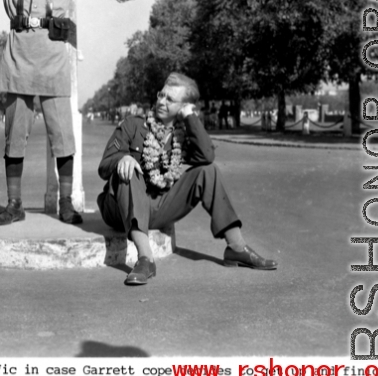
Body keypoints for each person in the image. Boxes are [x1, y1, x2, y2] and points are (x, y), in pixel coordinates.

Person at [0, 0, 182, 226]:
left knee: (63, 138)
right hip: (17, 65)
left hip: (53, 67)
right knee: (14, 138)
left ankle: (66, 203)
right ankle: (14, 205)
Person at [97, 72, 277, 286]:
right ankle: (146, 259)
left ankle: (236, 248)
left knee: (208, 171)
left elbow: (206, 156)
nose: (161, 101)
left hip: (156, 207)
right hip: (118, 207)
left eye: (170, 99)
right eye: (161, 95)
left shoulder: (180, 136)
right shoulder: (133, 125)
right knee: (129, 170)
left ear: (182, 106)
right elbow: (104, 166)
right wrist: (122, 158)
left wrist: (191, 117)